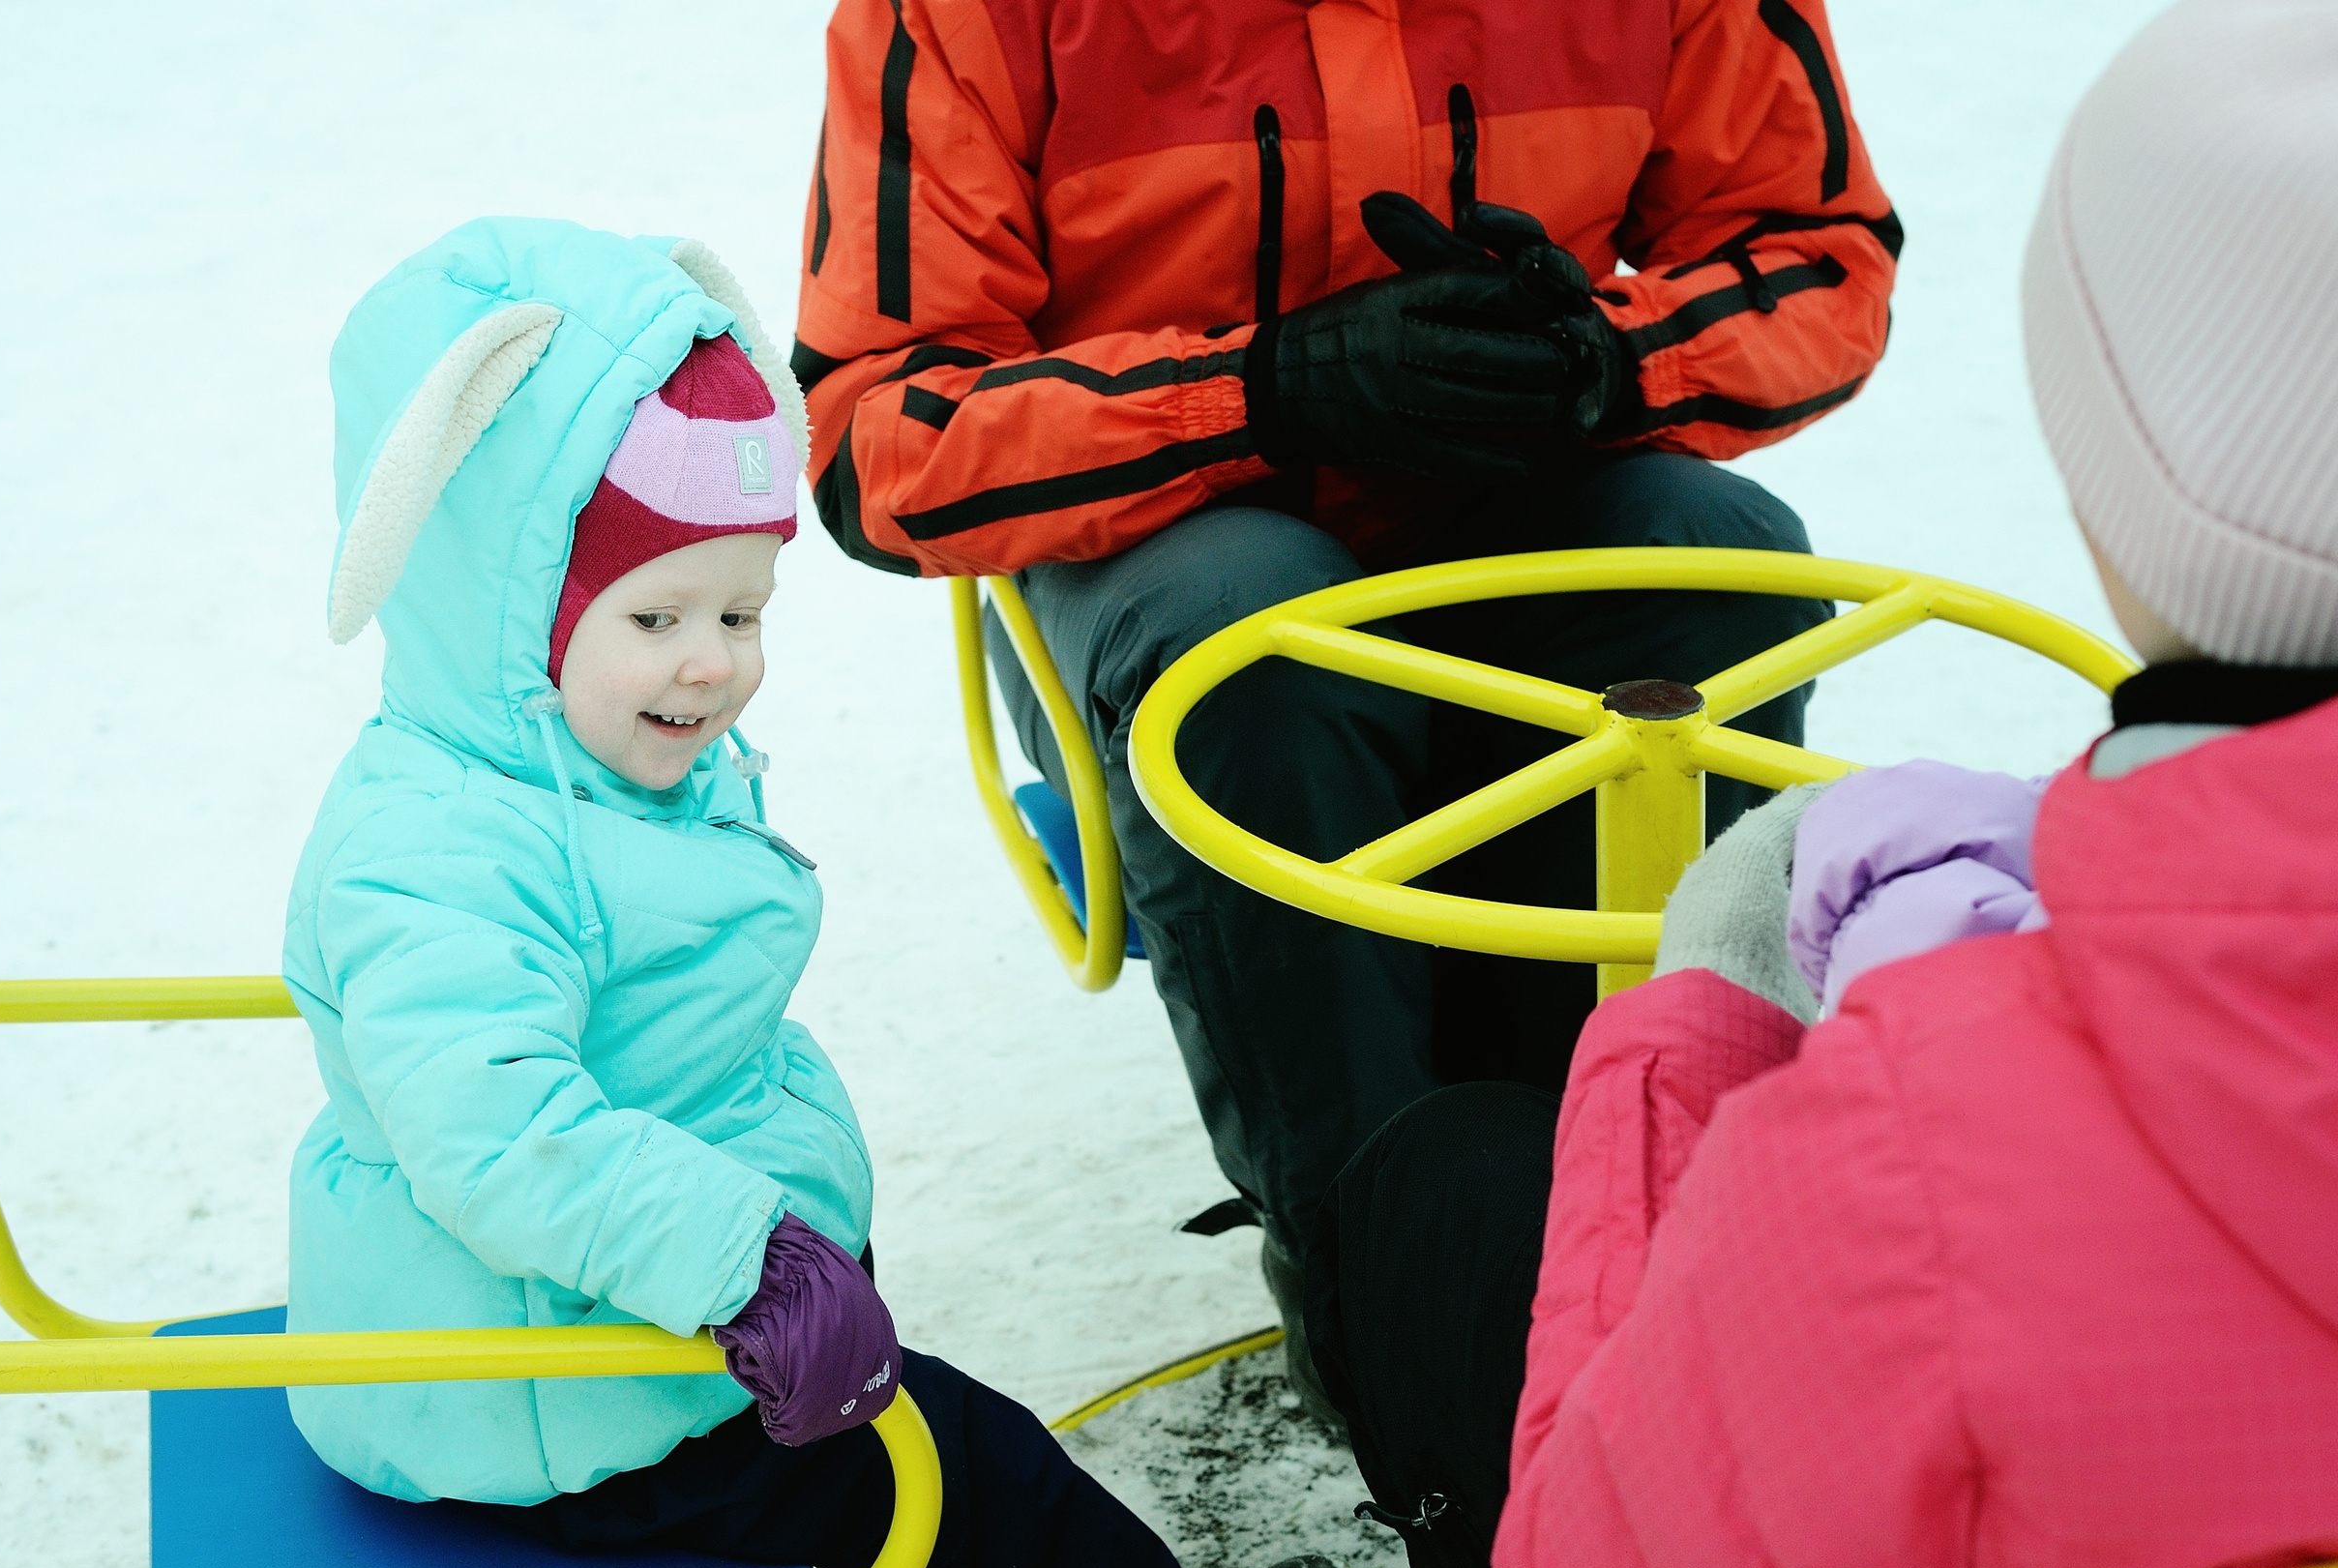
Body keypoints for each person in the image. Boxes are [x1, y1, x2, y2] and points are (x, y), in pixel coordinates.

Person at [1305, 4, 2338, 1568]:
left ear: (2123, 480)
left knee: (1446, 1185)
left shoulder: (1913, 1174)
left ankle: (1340, 1242)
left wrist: (1698, 1025)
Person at [792, 0, 1900, 1414]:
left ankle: (1640, 1197)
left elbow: (1815, 254)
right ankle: (1381, 1297)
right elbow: (877, 426)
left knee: (1714, 569)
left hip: (1516, 492)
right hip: (1165, 542)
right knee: (1255, 645)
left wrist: (1609, 358)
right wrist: (1256, 393)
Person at [281, 218, 1363, 1568]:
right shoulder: (444, 852)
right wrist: (753, 1262)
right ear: (497, 613)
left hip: (626, 1329)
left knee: (941, 1494)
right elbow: (503, 1136)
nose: (712, 660)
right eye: (655, 611)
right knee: (984, 1498)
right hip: (549, 1396)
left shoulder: (561, 769)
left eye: (741, 605)